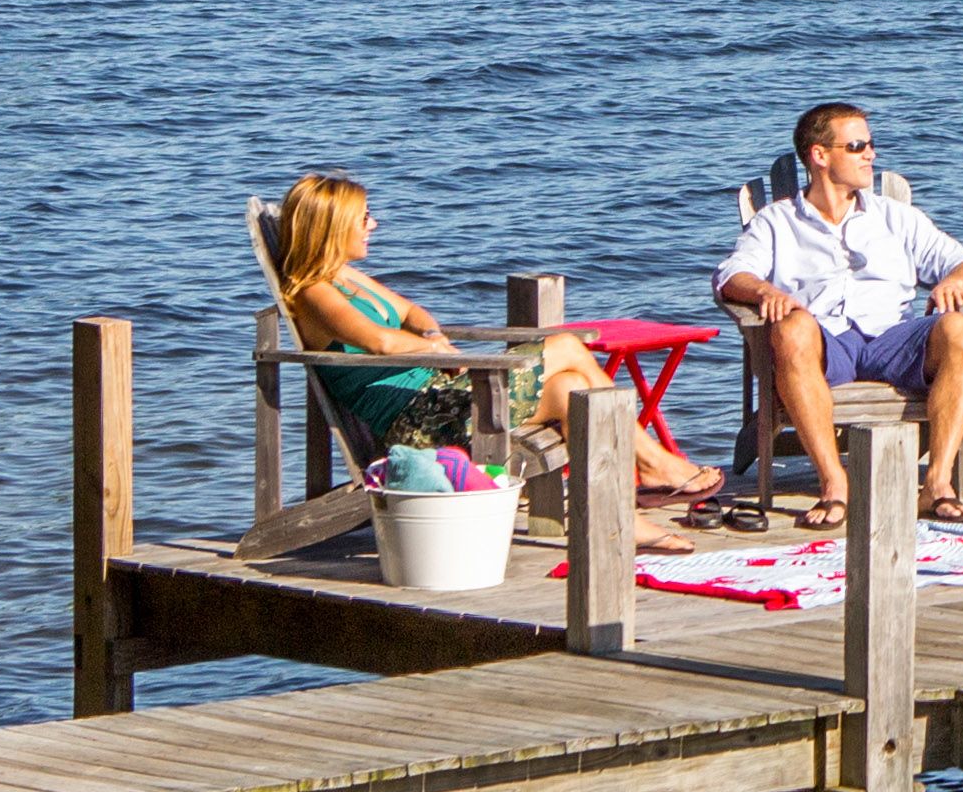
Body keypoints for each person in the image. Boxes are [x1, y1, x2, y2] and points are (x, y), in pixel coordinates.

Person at [264, 172, 690, 534]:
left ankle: (619, 512)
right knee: (565, 346)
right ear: (334, 229)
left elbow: (411, 312)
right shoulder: (314, 293)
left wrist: (437, 339)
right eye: (363, 219)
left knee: (574, 387)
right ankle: (652, 466)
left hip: (437, 398)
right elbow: (382, 343)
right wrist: (433, 349)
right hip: (418, 423)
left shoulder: (345, 277)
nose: (373, 225)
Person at [711, 102, 963, 526]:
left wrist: (956, 283)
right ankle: (833, 484)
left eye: (871, 144)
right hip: (824, 345)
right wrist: (765, 290)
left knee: (962, 331)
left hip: (893, 341)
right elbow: (730, 275)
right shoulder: (777, 222)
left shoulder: (895, 218)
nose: (870, 155)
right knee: (791, 330)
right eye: (857, 145)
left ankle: (936, 485)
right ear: (819, 156)